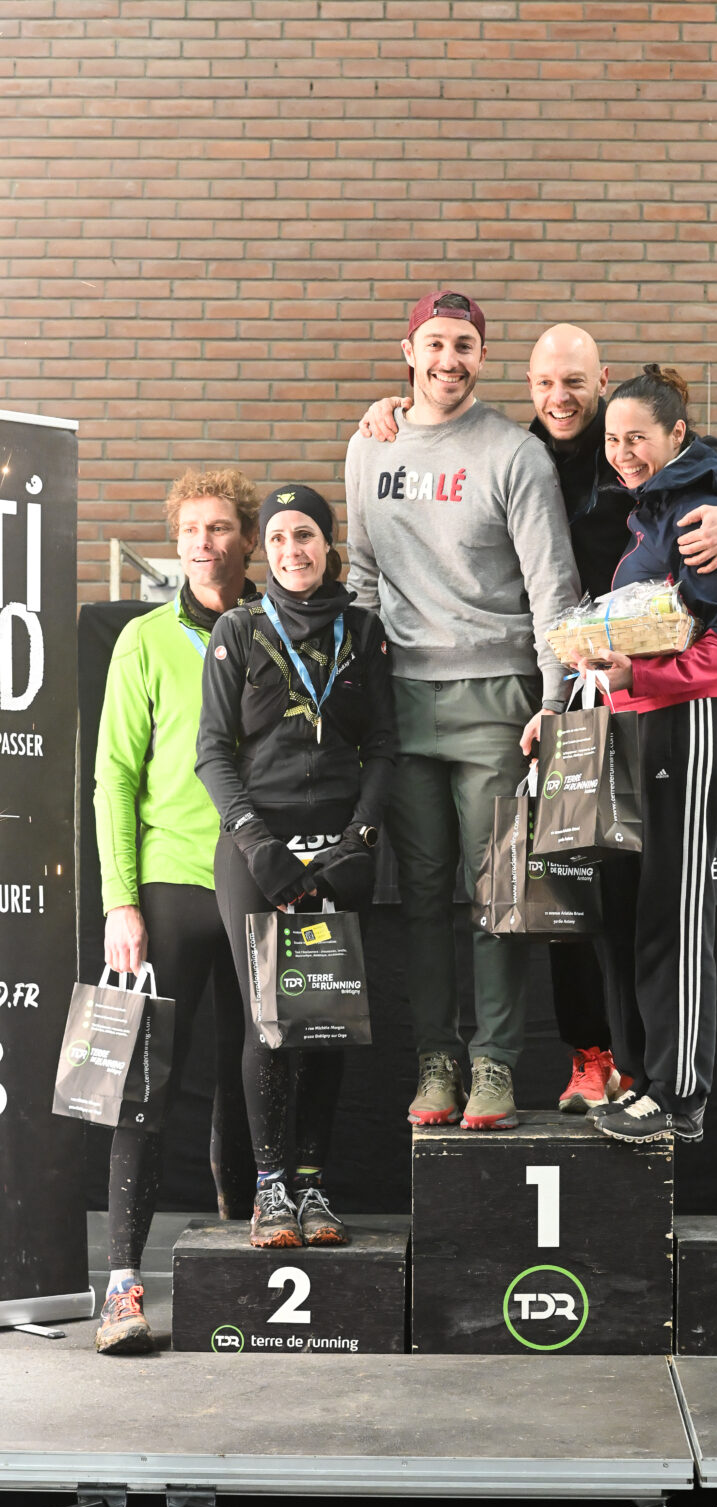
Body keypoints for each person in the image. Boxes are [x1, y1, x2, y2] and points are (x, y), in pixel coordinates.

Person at [359, 323, 717, 1115]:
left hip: (656, 701)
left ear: (605, 382)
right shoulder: (523, 453)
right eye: (547, 383)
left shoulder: (672, 477)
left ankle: (673, 1092)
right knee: (585, 892)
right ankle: (607, 1060)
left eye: (576, 384)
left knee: (660, 911)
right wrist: (397, 413)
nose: (561, 399)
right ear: (527, 384)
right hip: (589, 697)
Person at [344, 290, 581, 1132]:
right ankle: (436, 1061)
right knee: (420, 898)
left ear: (483, 358)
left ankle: (494, 1063)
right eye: (437, 343)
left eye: (467, 346)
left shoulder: (515, 454)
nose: (450, 360)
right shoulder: (369, 445)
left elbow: (553, 586)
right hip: (402, 699)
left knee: (496, 894)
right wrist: (358, 692)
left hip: (496, 697)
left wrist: (553, 699)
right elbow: (362, 576)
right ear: (409, 351)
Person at [536, 363, 717, 1143]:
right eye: (614, 439)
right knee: (625, 918)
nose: (623, 452)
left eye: (639, 437)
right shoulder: (647, 516)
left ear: (677, 435)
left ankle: (680, 1096)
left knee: (672, 916)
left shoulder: (699, 514)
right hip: (634, 728)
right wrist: (579, 690)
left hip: (687, 727)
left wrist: (645, 675)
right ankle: (640, 1080)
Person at [196, 484, 396, 1248]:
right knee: (271, 1023)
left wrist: (359, 839)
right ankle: (270, 1187)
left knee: (326, 1021)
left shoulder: (363, 630)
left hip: (341, 851)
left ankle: (312, 1186)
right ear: (264, 549)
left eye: (305, 535)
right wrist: (258, 845)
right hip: (259, 853)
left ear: (328, 544)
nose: (291, 551)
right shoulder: (239, 629)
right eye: (278, 538)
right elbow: (211, 753)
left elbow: (383, 747)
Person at [93, 467, 260, 1355]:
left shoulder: (280, 629)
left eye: (220, 526)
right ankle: (121, 1285)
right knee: (143, 1088)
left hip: (261, 885)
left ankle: (246, 1265)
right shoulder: (145, 640)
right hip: (169, 888)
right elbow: (113, 776)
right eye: (190, 528)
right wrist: (121, 899)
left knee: (253, 1079)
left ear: (247, 539)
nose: (203, 541)